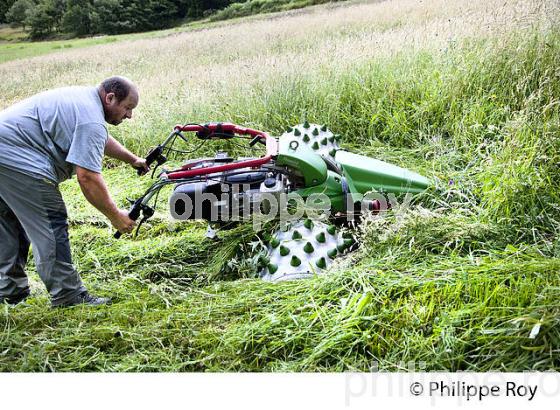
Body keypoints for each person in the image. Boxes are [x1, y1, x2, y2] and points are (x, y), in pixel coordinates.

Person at [0, 76, 149, 307]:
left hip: (5, 151)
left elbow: (101, 138)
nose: (129, 115)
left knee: (10, 221)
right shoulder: (91, 118)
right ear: (110, 98)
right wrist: (115, 216)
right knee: (51, 221)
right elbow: (87, 177)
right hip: (17, 158)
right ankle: (68, 295)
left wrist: (132, 159)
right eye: (127, 108)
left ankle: (10, 290)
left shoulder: (85, 102)